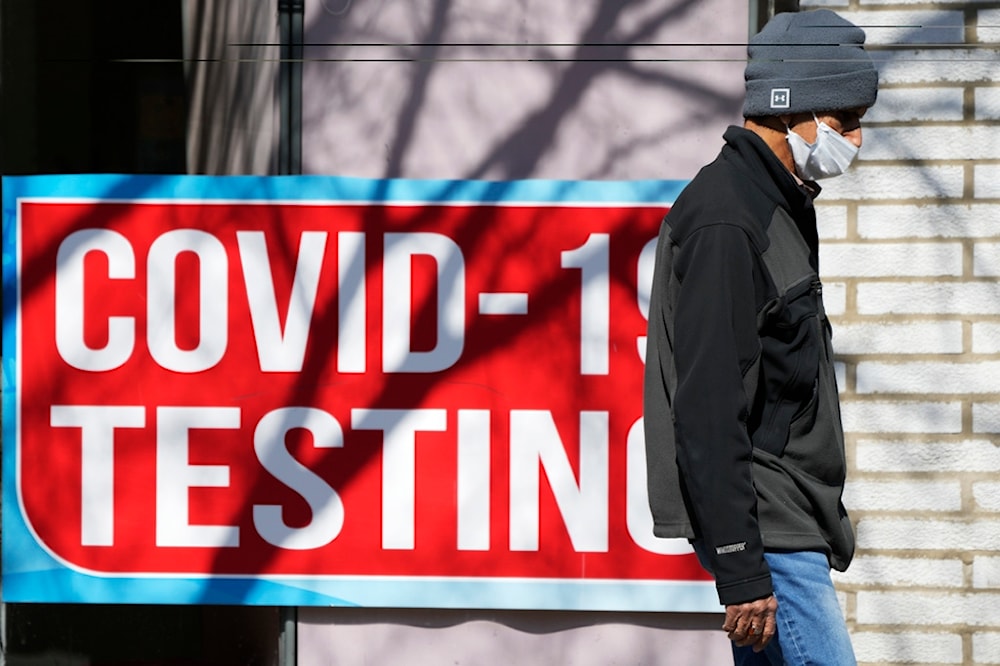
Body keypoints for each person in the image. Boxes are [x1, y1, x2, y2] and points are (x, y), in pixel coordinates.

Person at [643, 9, 878, 666]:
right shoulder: (729, 218)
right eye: (844, 122)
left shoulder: (778, 202)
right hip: (770, 529)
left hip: (786, 521)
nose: (857, 140)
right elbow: (707, 403)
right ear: (789, 109)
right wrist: (742, 565)